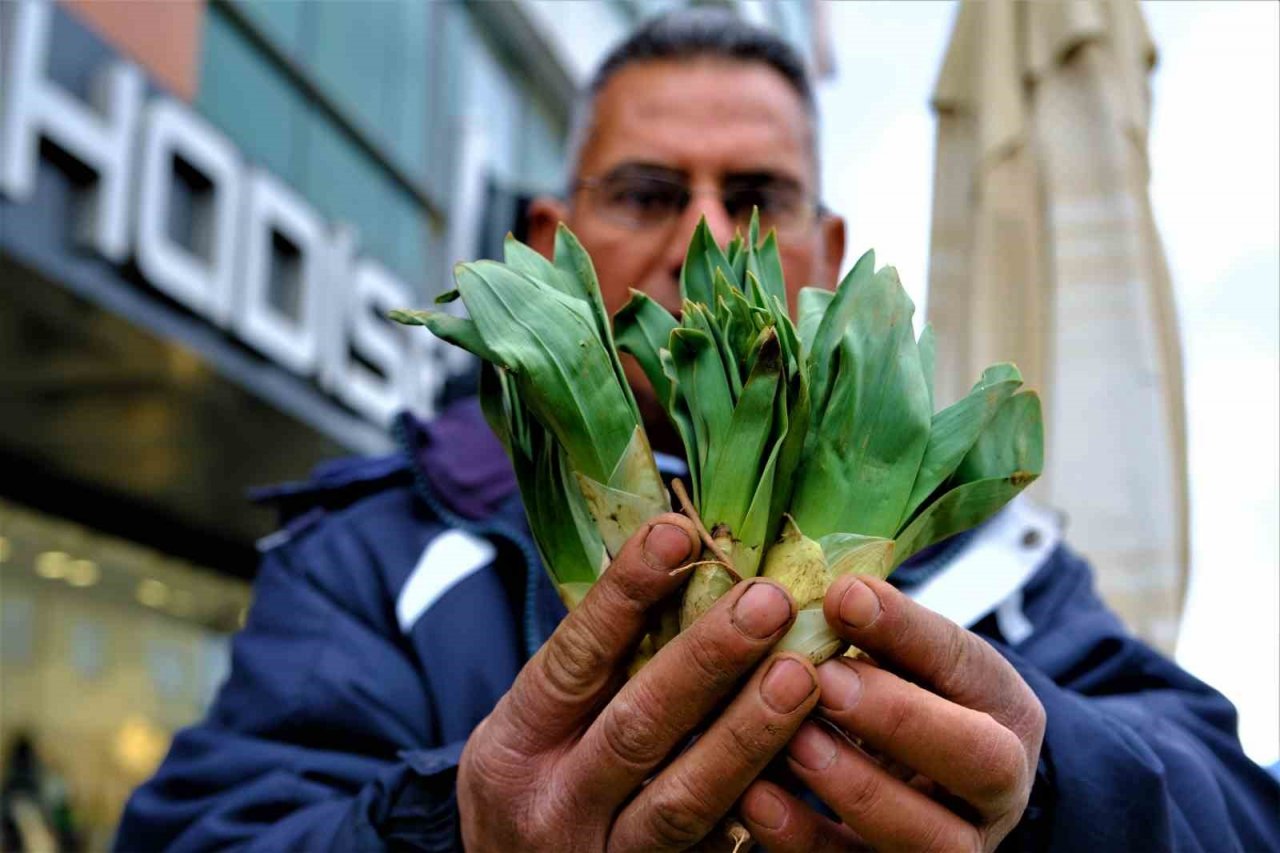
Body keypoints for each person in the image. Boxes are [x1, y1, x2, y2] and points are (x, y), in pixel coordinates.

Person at [116, 9, 1279, 852]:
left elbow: (1232, 807)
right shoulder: (376, 545)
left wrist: (1045, 782)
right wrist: (453, 826)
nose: (700, 242)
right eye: (647, 192)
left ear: (824, 252)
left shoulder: (997, 568)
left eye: (758, 198)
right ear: (547, 239)